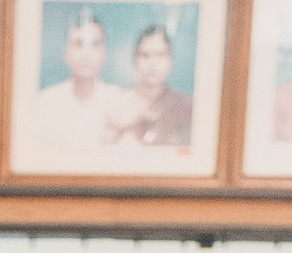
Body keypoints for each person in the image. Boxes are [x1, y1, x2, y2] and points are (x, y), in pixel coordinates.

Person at [28, 10, 124, 161]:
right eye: (79, 45)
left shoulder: (119, 100)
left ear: (104, 53)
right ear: (66, 53)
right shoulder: (45, 102)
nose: (86, 54)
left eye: (94, 45)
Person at [115, 21, 193, 154]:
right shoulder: (118, 104)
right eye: (145, 55)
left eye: (160, 55)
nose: (153, 63)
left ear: (170, 61)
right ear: (134, 60)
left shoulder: (185, 106)